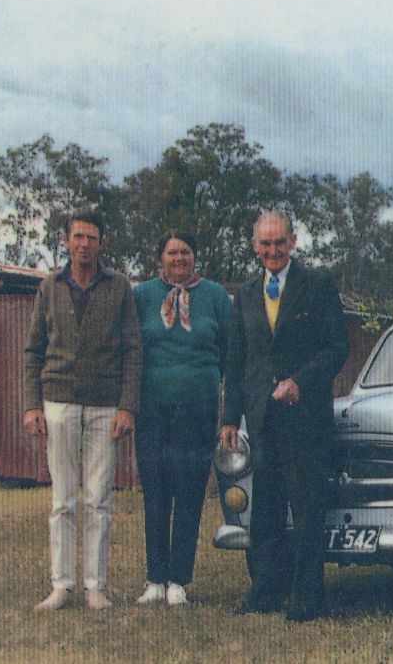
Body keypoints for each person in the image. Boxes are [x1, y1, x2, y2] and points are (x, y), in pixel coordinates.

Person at [219, 211, 349, 622]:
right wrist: (229, 417)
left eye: (279, 242)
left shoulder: (318, 286)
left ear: (293, 241)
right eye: (265, 244)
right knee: (265, 510)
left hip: (305, 419)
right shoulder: (244, 293)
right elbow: (238, 359)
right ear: (254, 246)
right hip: (261, 419)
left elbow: (336, 348)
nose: (272, 251)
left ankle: (308, 599)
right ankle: (264, 593)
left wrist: (300, 382)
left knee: (307, 508)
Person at [25, 210, 141, 612]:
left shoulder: (120, 287)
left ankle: (95, 586)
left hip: (105, 406)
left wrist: (127, 406)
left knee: (98, 500)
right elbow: (32, 351)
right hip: (58, 401)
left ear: (101, 244)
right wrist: (30, 405)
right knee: (63, 501)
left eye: (92, 238)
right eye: (78, 237)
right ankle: (62, 585)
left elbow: (132, 350)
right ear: (66, 241)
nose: (84, 244)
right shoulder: (49, 287)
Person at [132, 230, 231, 607]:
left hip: (198, 408)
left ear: (195, 256)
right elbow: (131, 347)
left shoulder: (217, 296)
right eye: (172, 251)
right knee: (156, 492)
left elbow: (228, 350)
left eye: (185, 251)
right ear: (161, 257)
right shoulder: (141, 296)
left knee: (190, 492)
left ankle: (178, 580)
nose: (179, 258)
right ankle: (154, 578)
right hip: (153, 408)